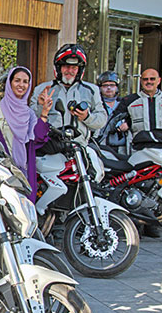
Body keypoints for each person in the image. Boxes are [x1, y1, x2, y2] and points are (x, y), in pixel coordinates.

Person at [102, 69, 162, 236]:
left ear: (159, 80)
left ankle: (153, 222)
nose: (149, 82)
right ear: (141, 81)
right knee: (139, 184)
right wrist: (123, 123)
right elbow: (115, 120)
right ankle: (135, 223)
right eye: (145, 79)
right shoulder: (130, 100)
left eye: (152, 79)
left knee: (158, 184)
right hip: (140, 150)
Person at [28, 43, 107, 215]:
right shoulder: (44, 89)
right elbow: (30, 118)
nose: (69, 71)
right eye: (66, 66)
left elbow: (102, 119)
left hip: (78, 149)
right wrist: (40, 106)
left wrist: (87, 117)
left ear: (80, 70)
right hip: (51, 148)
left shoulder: (91, 90)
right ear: (58, 68)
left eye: (74, 67)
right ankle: (45, 216)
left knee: (83, 185)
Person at [0, 66, 50, 200]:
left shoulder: (29, 114)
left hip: (23, 174)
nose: (21, 85)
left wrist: (44, 112)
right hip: (1, 173)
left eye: (25, 81)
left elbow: (38, 138)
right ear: (10, 83)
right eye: (17, 80)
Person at [95, 71, 129, 155]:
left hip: (123, 149)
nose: (109, 88)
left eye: (112, 85)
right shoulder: (96, 104)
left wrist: (128, 124)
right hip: (102, 147)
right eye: (105, 85)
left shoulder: (124, 104)